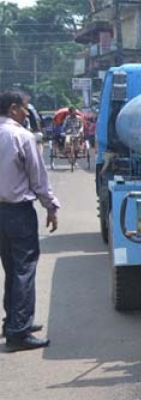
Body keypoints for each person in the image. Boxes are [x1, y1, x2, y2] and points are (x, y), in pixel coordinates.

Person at [0, 89, 60, 352]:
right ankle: (18, 332)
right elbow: (38, 178)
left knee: (11, 268)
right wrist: (51, 206)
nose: (27, 112)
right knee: (24, 268)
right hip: (17, 211)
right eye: (25, 107)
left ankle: (13, 320)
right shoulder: (21, 136)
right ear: (13, 109)